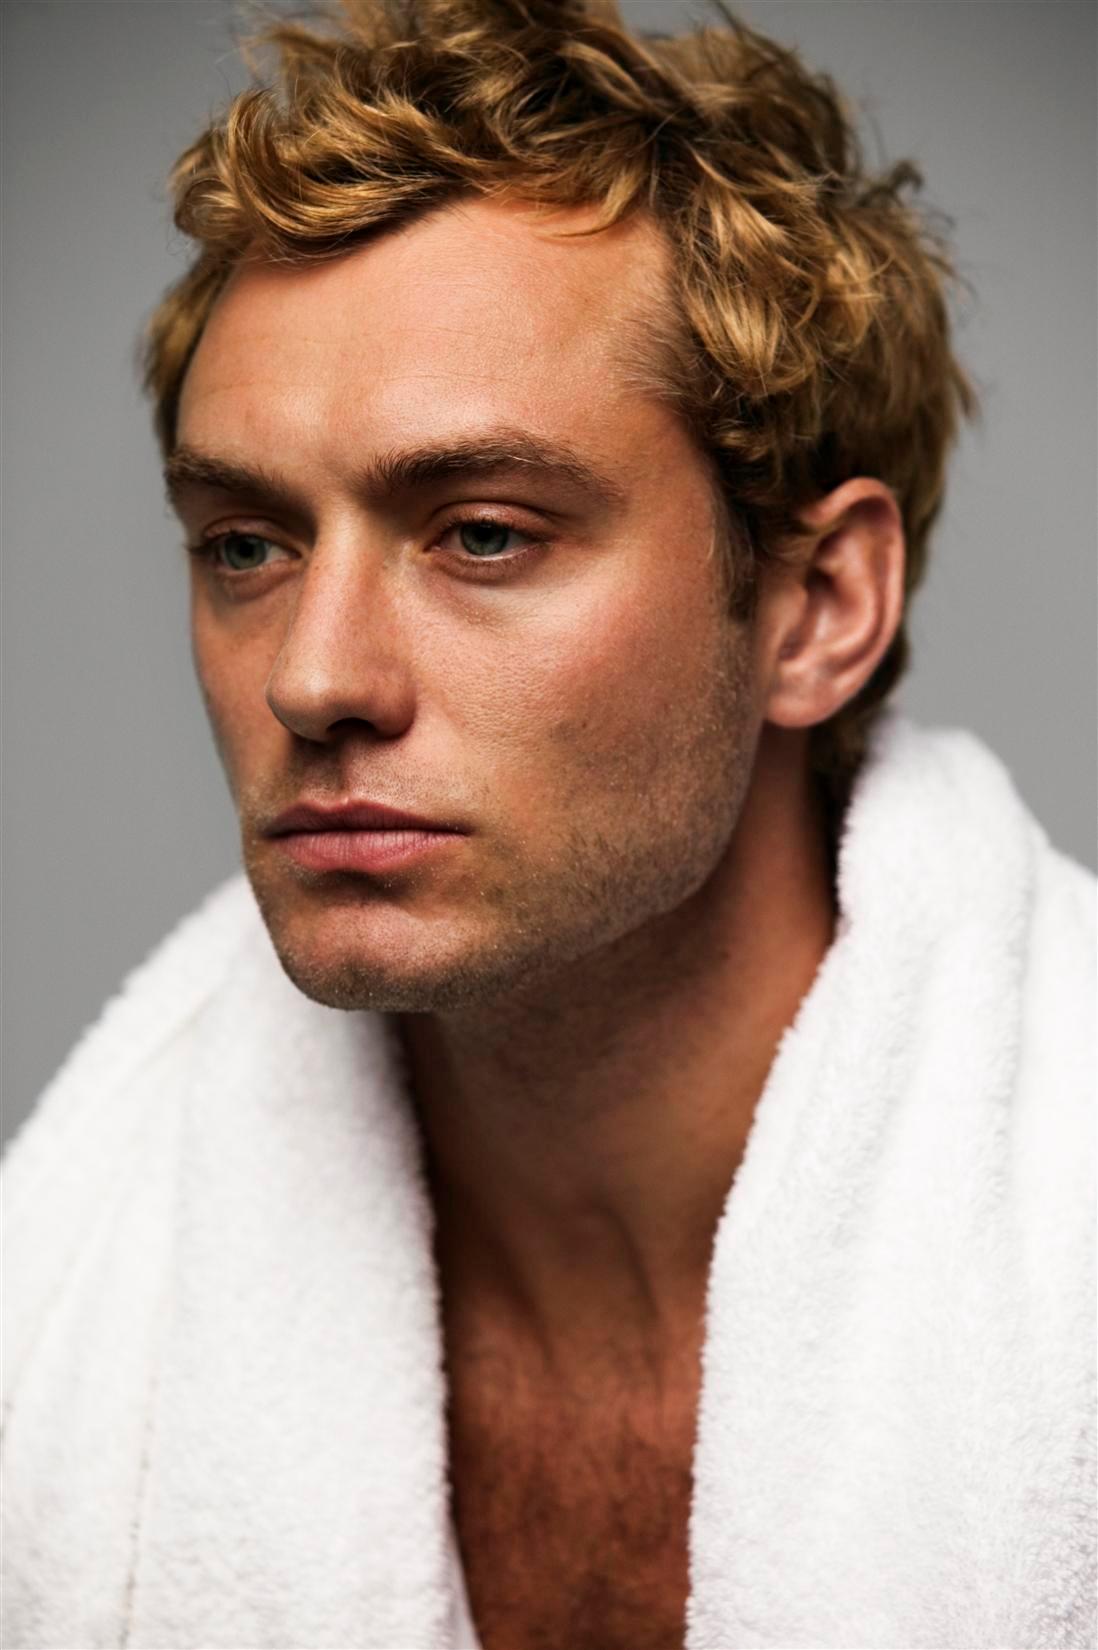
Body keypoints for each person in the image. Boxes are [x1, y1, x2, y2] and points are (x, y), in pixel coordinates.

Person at [2, 1, 1093, 1646]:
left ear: (816, 608)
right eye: (246, 545)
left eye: (485, 534)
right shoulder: (62, 1291)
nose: (313, 676)